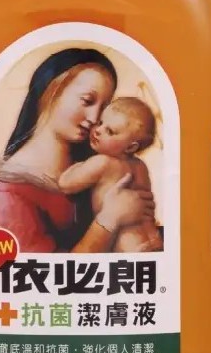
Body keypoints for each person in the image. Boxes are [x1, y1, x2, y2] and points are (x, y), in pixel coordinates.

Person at [0, 48, 155, 252]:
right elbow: (40, 269)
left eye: (104, 108)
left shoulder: (95, 165)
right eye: (87, 101)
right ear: (52, 92)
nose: (94, 118)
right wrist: (110, 219)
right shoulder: (8, 195)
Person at [58, 97, 163, 252]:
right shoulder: (141, 167)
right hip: (152, 239)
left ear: (130, 148)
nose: (98, 130)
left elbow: (65, 184)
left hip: (126, 246)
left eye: (110, 131)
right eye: (100, 123)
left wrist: (79, 165)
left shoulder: (103, 163)